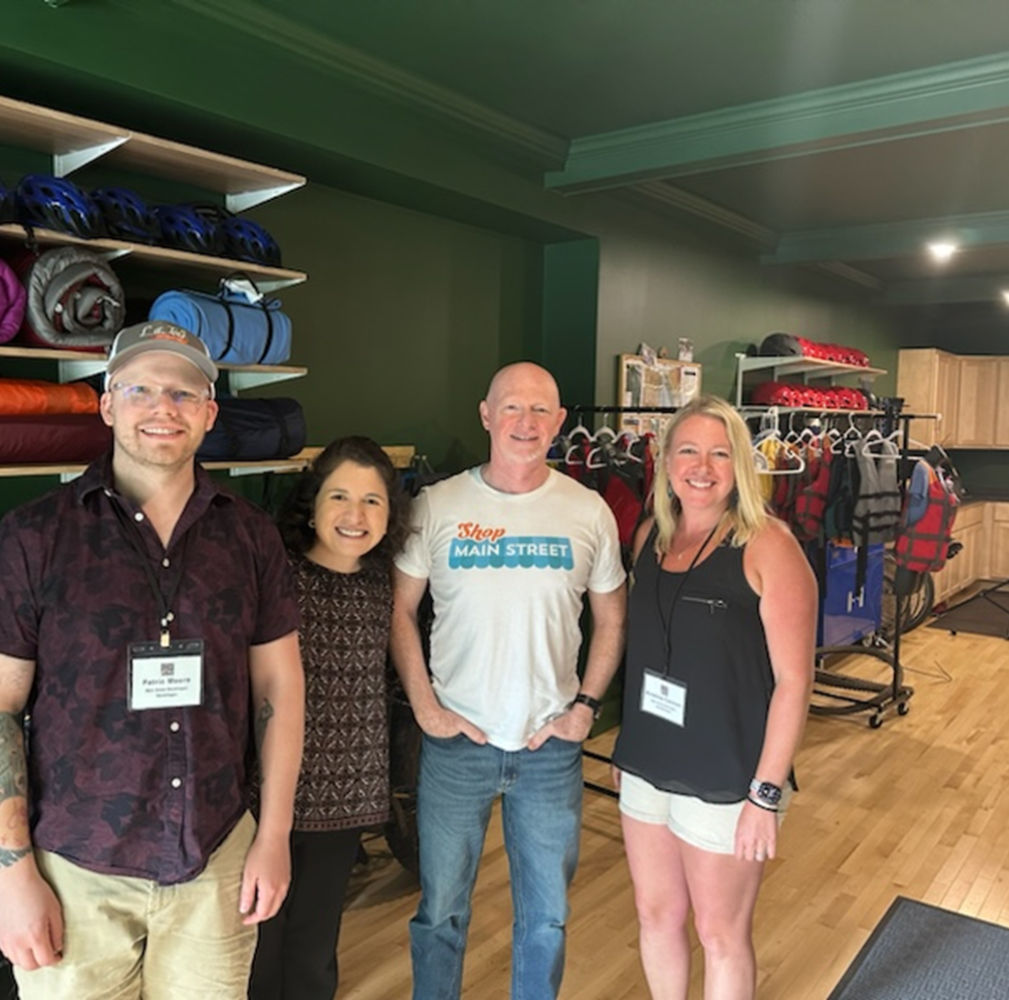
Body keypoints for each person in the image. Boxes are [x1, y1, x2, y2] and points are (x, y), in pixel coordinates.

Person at [0, 319, 305, 1000]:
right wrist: (13, 876)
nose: (161, 408)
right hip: (75, 868)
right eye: (140, 388)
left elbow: (280, 688)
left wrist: (274, 834)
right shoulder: (34, 536)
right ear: (108, 403)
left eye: (182, 393)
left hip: (216, 861)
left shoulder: (250, 535)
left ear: (209, 414)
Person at [391, 361, 628, 1000]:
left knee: (546, 919)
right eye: (512, 408)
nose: (526, 422)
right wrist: (426, 708)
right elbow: (398, 610)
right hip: (455, 745)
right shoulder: (437, 506)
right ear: (486, 414)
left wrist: (584, 708)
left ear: (558, 422)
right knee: (440, 911)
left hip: (549, 748)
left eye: (540, 410)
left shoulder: (589, 511)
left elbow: (612, 617)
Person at [611, 394, 816, 1000]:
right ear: (666, 459)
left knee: (720, 933)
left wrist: (765, 793)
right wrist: (627, 752)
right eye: (690, 451)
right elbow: (647, 652)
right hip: (648, 765)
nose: (703, 467)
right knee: (656, 917)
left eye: (721, 454)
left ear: (741, 466)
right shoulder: (650, 536)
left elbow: (794, 682)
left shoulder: (767, 546)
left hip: (729, 779)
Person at [249, 435, 411, 1000]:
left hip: (345, 792)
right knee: (260, 938)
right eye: (340, 496)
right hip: (266, 789)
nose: (354, 514)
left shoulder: (385, 585)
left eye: (373, 501)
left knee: (317, 939)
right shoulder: (277, 577)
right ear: (312, 503)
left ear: (391, 515)